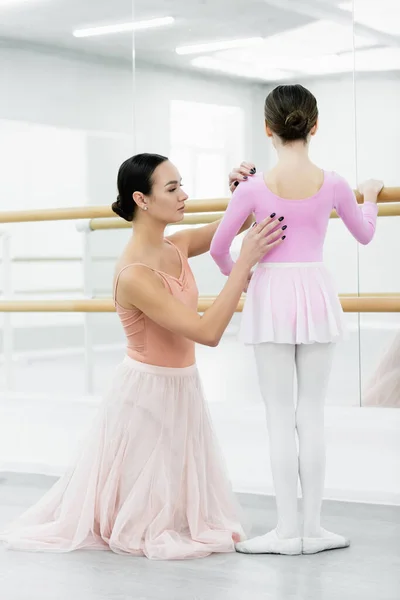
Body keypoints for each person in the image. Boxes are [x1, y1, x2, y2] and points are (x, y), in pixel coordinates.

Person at [0, 153, 286, 561]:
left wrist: (244, 189)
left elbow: (238, 222)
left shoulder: (178, 245)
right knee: (146, 520)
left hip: (182, 386)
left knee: (172, 506)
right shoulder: (134, 274)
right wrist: (243, 265)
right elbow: (208, 332)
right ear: (143, 200)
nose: (185, 195)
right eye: (172, 189)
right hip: (145, 397)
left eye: (181, 184)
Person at [210, 84, 383, 556]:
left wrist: (245, 281)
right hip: (316, 291)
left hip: (271, 292)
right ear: (315, 124)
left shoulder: (250, 187)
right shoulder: (334, 182)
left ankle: (288, 532)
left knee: (278, 415)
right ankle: (313, 528)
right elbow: (365, 234)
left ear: (267, 129)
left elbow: (218, 249)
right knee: (312, 414)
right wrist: (368, 195)